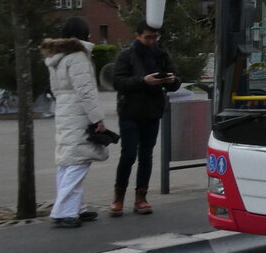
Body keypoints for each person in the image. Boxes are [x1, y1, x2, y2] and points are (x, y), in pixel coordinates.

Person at [42, 16, 108, 229]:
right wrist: (97, 119)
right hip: (78, 111)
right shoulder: (78, 56)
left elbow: (55, 89)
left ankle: (77, 207)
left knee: (67, 161)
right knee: (79, 162)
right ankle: (63, 211)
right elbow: (86, 91)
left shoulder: (56, 57)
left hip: (63, 109)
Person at [111, 20, 180, 215]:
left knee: (146, 155)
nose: (152, 41)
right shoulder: (126, 55)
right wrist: (143, 80)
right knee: (128, 154)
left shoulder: (161, 54)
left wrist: (171, 80)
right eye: (147, 37)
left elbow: (176, 80)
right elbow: (118, 82)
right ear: (137, 36)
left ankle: (141, 197)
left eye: (155, 37)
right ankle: (118, 197)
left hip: (152, 112)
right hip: (130, 112)